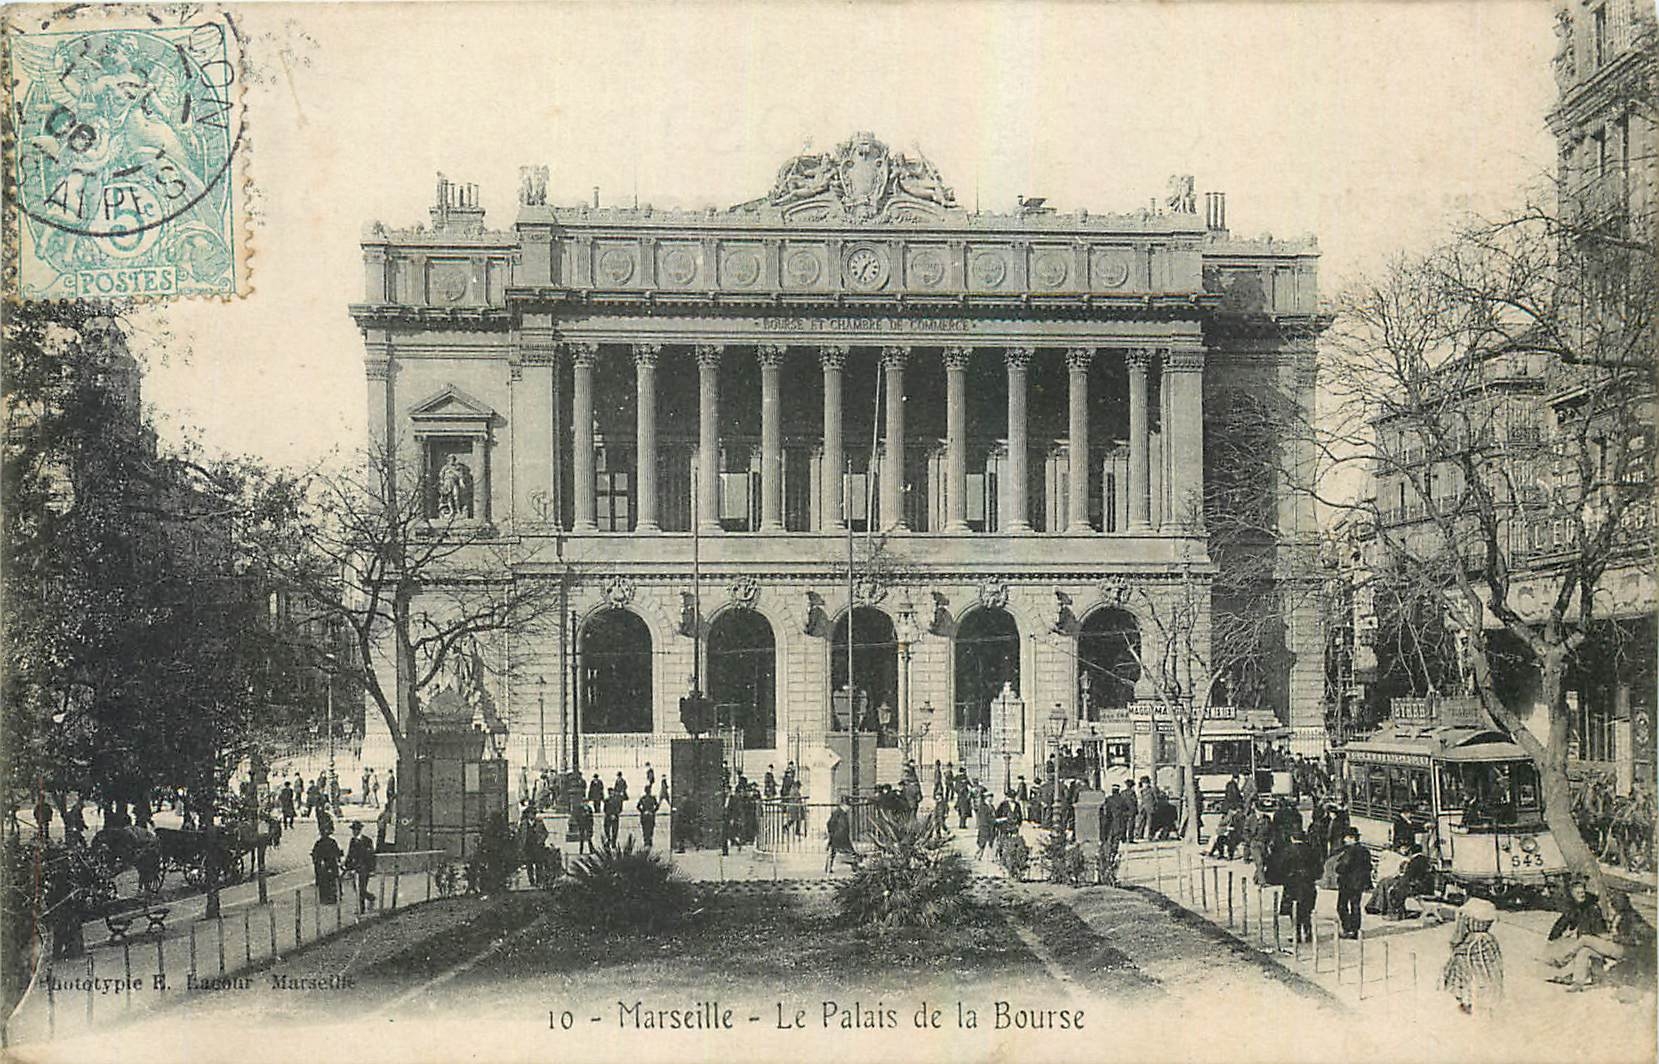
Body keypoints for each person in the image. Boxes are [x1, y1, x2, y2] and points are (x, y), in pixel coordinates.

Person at [1441, 898, 1503, 1014]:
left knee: (1463, 972)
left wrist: (1455, 946)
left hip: (1471, 953)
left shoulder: (1472, 941)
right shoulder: (1490, 940)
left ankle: (1467, 1002)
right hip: (1487, 987)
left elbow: (1457, 938)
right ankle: (1480, 1001)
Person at [1281, 828, 1322, 944]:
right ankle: (1309, 933)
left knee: (1294, 910)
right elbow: (1318, 867)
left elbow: (1282, 866)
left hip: (1292, 884)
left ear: (1292, 838)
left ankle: (1297, 934)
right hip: (1308, 884)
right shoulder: (1311, 850)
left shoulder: (1288, 850)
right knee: (1307, 909)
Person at [1332, 827, 1372, 939]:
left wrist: (1338, 868)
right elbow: (1369, 866)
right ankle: (1355, 930)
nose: (1344, 840)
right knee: (1355, 906)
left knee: (1341, 906)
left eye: (1346, 837)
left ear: (1351, 838)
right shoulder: (1365, 850)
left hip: (1347, 883)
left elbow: (1343, 867)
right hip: (1359, 884)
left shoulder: (1350, 851)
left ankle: (1347, 928)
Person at [343, 820, 376, 913]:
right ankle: (369, 900)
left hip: (364, 869)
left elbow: (371, 856)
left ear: (360, 830)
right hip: (355, 869)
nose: (354, 832)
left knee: (361, 889)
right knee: (357, 889)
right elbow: (350, 854)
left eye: (356, 830)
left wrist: (371, 869)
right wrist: (346, 866)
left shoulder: (367, 841)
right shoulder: (352, 841)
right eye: (353, 830)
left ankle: (363, 908)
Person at [312, 824, 343, 905]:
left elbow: (315, 855)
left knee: (327, 880)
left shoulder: (320, 843)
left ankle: (328, 896)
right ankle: (331, 896)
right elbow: (338, 853)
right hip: (328, 865)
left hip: (328, 865)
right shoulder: (328, 842)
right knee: (329, 880)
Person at [825, 797, 856, 872]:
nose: (848, 808)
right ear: (843, 805)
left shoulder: (839, 812)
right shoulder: (839, 813)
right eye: (848, 806)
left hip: (838, 836)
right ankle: (855, 867)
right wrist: (832, 833)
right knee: (851, 852)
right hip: (839, 836)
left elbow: (829, 823)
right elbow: (830, 823)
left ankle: (828, 867)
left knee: (833, 852)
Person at [1134, 777, 1156, 842]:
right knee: (1141, 821)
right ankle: (1139, 834)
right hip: (1143, 807)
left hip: (1150, 807)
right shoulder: (1142, 791)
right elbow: (1140, 799)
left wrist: (1153, 806)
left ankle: (1150, 836)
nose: (1145, 785)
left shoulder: (1152, 790)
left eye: (1146, 783)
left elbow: (1155, 799)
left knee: (1150, 822)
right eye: (1143, 783)